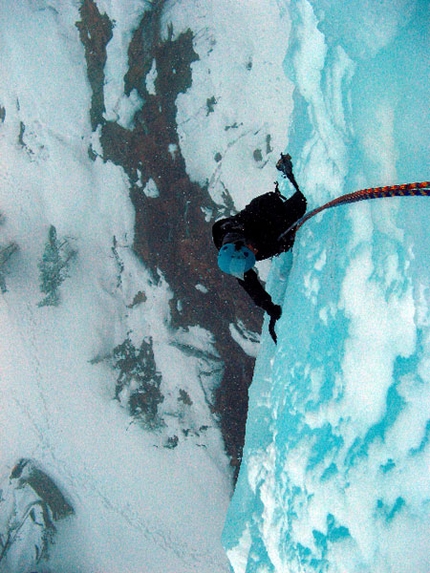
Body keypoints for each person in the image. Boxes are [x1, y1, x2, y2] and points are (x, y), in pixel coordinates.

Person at [212, 154, 307, 343]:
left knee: (304, 201)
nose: (254, 253)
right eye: (252, 256)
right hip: (281, 234)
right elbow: (250, 285)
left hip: (280, 219)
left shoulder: (248, 223)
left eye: (251, 251)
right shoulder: (236, 259)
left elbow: (269, 200)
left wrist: (283, 225)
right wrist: (267, 305)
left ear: (242, 242)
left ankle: (294, 173)